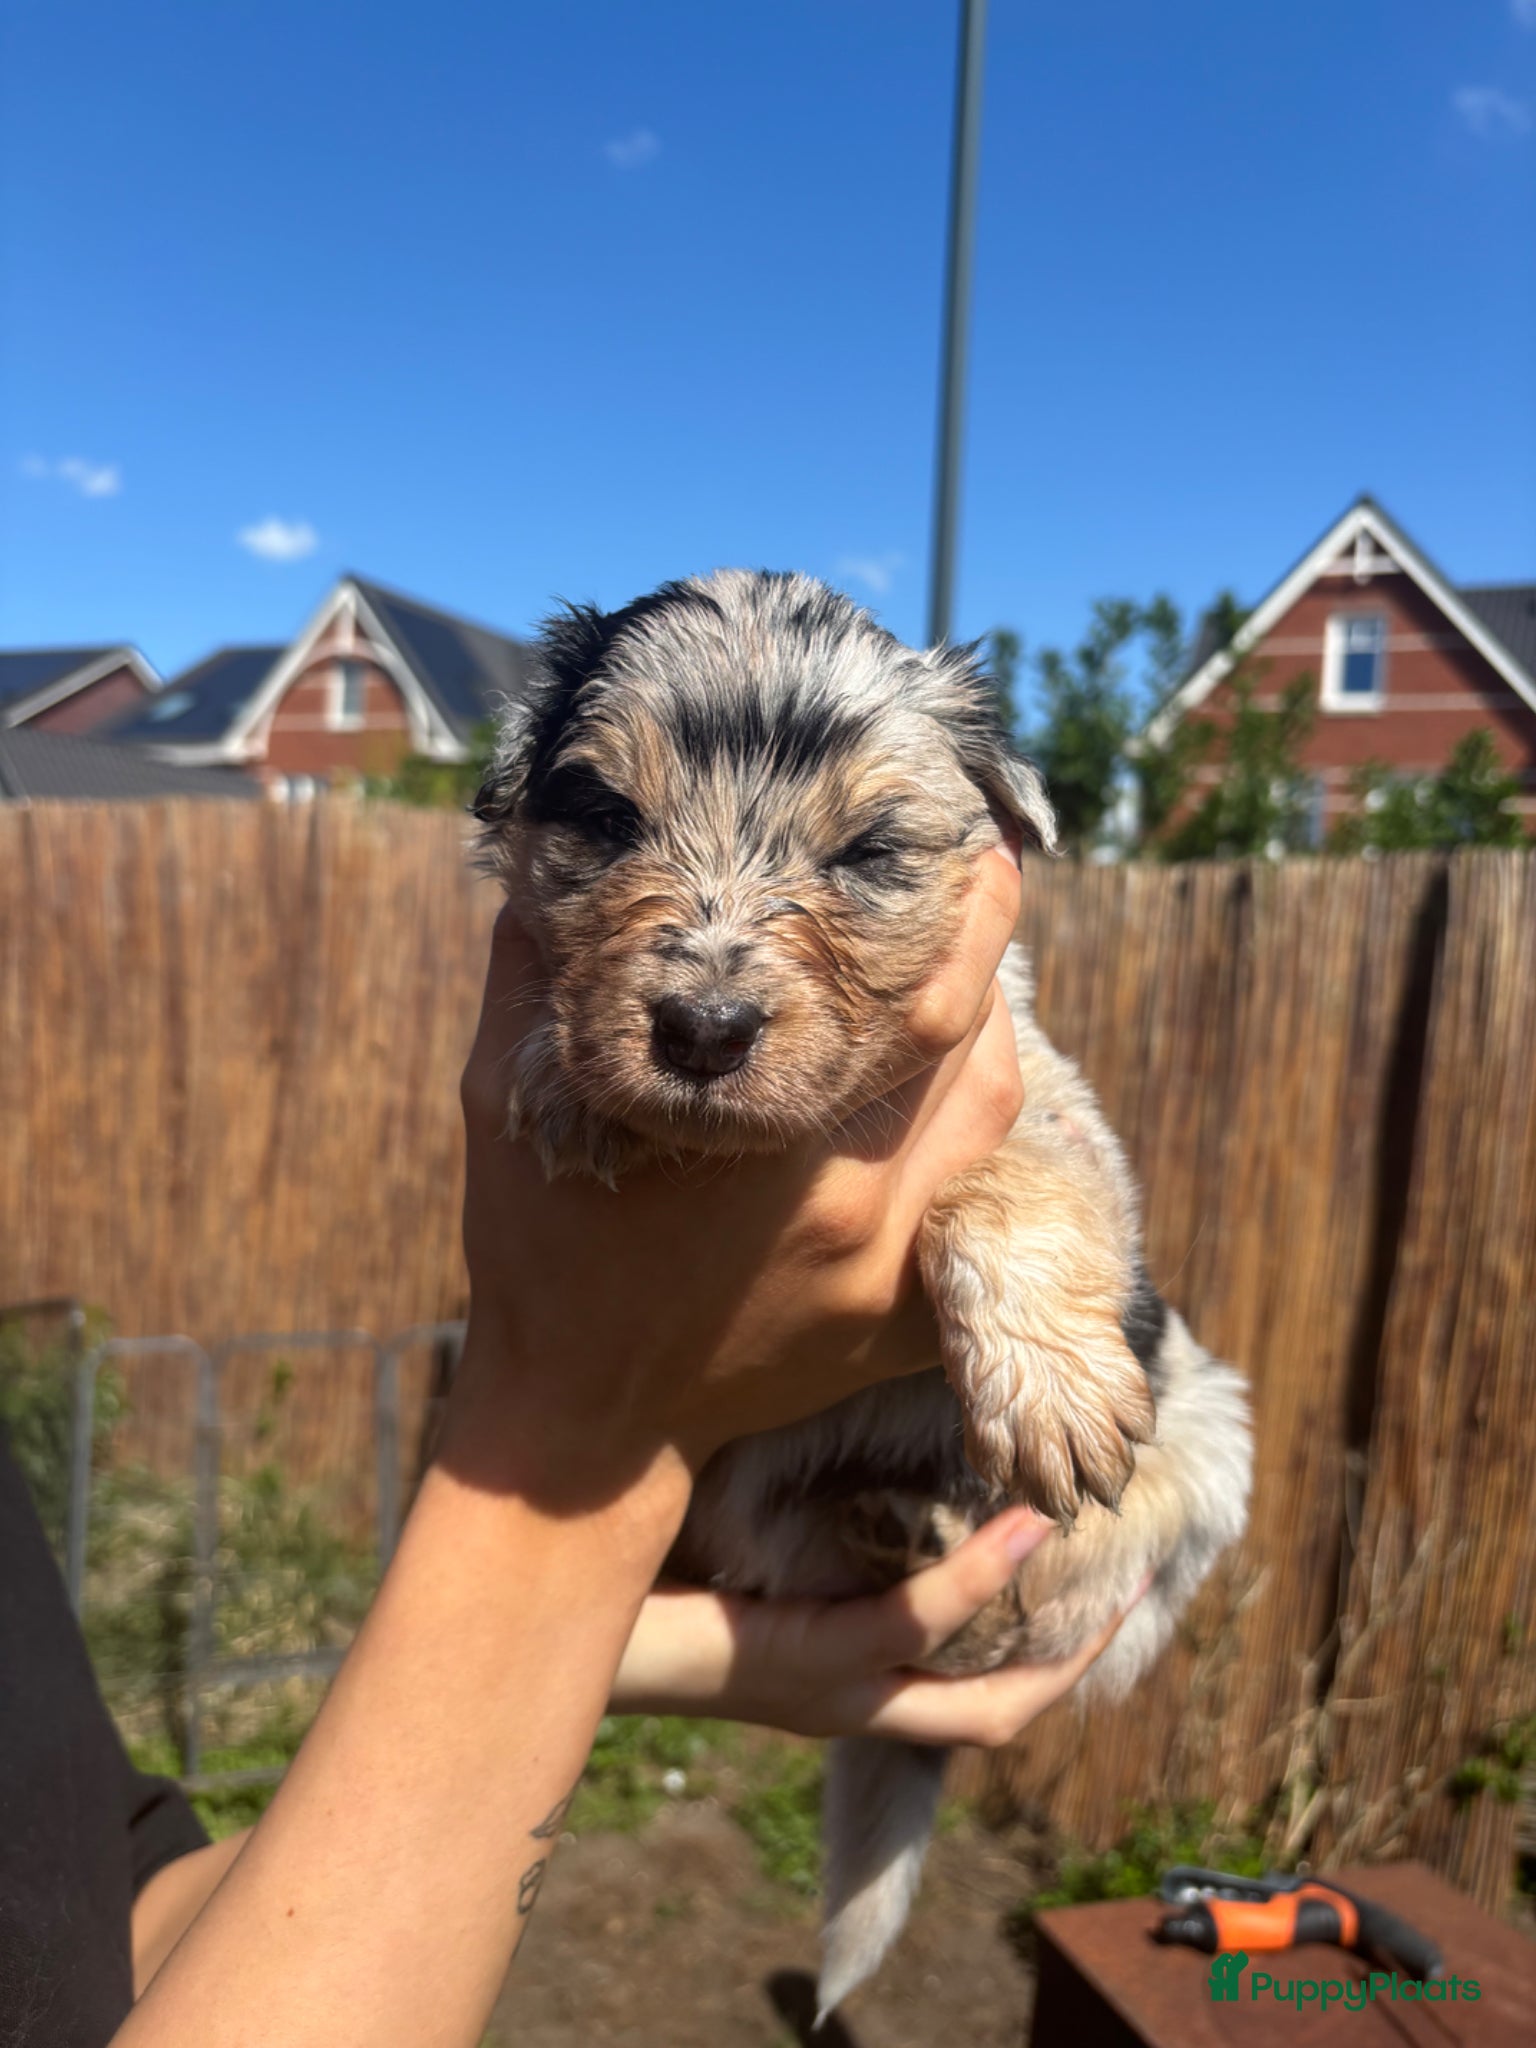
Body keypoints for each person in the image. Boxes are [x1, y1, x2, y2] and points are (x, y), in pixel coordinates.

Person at [1, 850, 1142, 2048]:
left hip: (954, 1514)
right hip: (792, 1501)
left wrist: (671, 1647)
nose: (712, 970)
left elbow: (104, 1910)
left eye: (863, 857)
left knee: (1191, 1451)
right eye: (612, 819)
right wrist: (587, 1429)